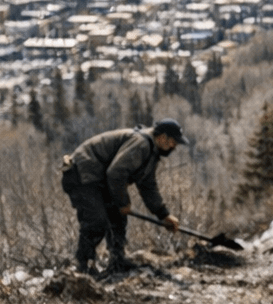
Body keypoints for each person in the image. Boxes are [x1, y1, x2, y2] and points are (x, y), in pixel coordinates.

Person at [62, 118, 186, 275]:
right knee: (97, 220)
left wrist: (163, 214)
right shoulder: (141, 144)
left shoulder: (151, 150)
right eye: (173, 142)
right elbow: (116, 173)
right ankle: (83, 267)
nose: (174, 147)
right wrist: (123, 202)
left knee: (117, 217)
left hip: (97, 179)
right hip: (81, 176)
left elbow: (147, 185)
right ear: (162, 137)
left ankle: (117, 260)